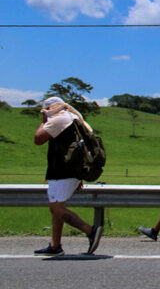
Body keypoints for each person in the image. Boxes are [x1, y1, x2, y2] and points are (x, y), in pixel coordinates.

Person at [32, 97, 103, 256]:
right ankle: (55, 245)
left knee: (55, 208)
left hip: (62, 171)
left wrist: (44, 120)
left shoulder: (59, 119)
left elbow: (38, 139)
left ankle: (90, 231)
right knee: (57, 208)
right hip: (70, 170)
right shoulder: (73, 117)